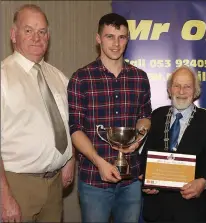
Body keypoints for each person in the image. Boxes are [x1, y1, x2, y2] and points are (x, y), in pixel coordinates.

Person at [67, 13, 152, 223]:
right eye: (110, 36)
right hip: (94, 180)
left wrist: (139, 138)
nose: (116, 43)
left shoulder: (139, 77)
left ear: (128, 39)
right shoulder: (81, 78)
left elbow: (145, 116)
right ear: (98, 39)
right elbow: (75, 128)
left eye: (122, 37)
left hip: (131, 180)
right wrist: (99, 162)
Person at [0, 4, 74, 222]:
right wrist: (4, 196)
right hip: (17, 185)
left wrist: (69, 159)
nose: (36, 37)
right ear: (14, 35)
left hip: (55, 185)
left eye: (42, 32)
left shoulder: (59, 78)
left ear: (48, 37)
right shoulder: (3, 78)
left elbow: (67, 124)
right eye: (28, 30)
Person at [140, 66, 206, 222]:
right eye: (177, 85)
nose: (181, 91)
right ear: (169, 90)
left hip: (192, 211)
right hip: (157, 210)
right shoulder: (156, 116)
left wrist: (203, 182)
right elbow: (145, 156)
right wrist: (145, 180)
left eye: (187, 86)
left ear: (195, 91)